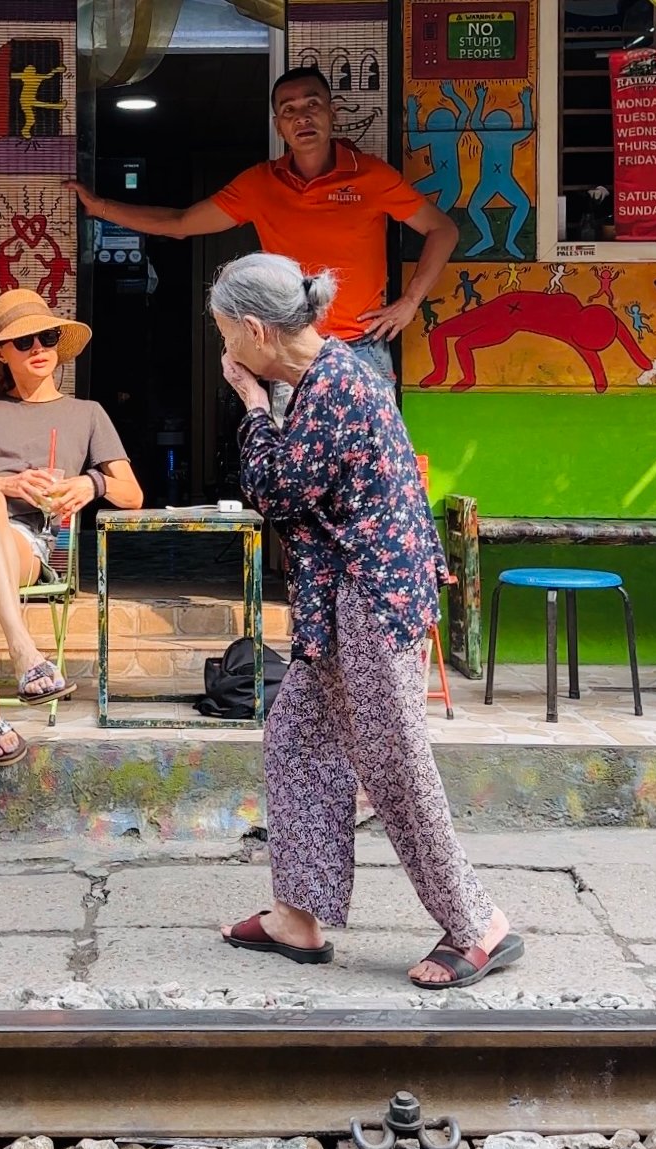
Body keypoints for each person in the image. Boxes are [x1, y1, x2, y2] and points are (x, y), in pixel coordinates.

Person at [210, 252, 524, 990]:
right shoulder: (328, 377)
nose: (225, 351)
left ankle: (478, 924)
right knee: (295, 740)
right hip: (349, 593)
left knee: (393, 764)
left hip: (372, 597)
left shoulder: (333, 387)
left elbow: (275, 490)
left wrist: (252, 408)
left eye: (226, 335)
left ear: (255, 331)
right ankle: (299, 913)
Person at [65, 66, 458, 382]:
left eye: (312, 104)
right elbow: (181, 222)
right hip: (290, 346)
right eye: (288, 110)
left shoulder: (371, 175)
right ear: (278, 126)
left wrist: (409, 303)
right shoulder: (259, 184)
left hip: (362, 345)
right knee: (292, 472)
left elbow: (444, 230)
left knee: (370, 468)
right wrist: (100, 207)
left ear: (332, 111)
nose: (301, 116)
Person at [0, 289, 143, 767]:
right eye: (23, 342)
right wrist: (8, 483)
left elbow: (132, 494)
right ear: (1, 353)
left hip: (15, 545)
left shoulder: (86, 414)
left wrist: (92, 481)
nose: (38, 348)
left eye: (47, 337)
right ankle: (23, 651)